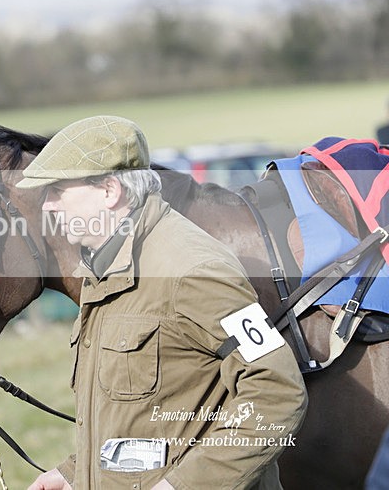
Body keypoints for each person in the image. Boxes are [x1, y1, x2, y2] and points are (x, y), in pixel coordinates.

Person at [16, 116, 307, 490]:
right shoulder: (104, 266)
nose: (49, 207)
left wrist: (182, 486)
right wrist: (75, 474)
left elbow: (277, 392)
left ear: (108, 191)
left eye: (58, 191)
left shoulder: (192, 270)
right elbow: (138, 413)